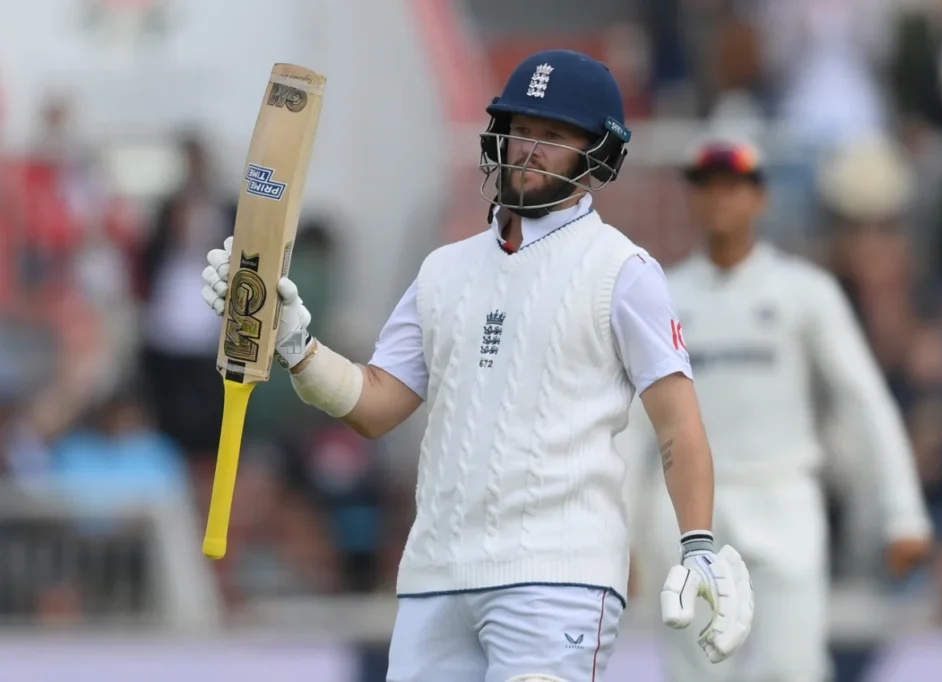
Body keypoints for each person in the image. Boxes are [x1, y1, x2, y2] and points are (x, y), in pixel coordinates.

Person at [201, 50, 753, 681]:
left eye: (553, 137)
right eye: (520, 130)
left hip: (559, 578)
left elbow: (677, 420)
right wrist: (297, 346)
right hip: (436, 576)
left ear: (599, 154)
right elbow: (379, 403)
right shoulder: (444, 270)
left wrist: (698, 544)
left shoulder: (622, 271)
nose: (529, 149)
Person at [619, 138, 933, 682]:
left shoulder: (804, 292)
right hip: (691, 510)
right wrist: (619, 536)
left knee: (795, 667)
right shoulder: (661, 296)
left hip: (784, 495)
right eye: (706, 189)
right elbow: (633, 429)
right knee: (699, 672)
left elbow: (866, 402)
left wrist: (902, 513)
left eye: (733, 189)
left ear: (760, 199)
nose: (719, 203)